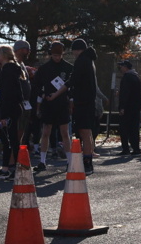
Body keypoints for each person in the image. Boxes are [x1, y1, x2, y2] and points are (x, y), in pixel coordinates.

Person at [32, 41, 74, 173]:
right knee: (46, 132)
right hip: (48, 103)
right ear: (51, 54)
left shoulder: (68, 68)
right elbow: (36, 85)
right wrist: (43, 94)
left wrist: (70, 99)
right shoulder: (44, 69)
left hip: (62, 103)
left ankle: (69, 161)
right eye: (55, 55)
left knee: (64, 133)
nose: (57, 57)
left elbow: (73, 85)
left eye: (59, 55)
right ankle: (42, 161)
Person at [0, 45, 27, 181]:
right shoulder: (8, 69)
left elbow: (8, 94)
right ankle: (6, 169)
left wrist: (5, 115)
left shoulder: (8, 70)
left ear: (4, 55)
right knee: (7, 140)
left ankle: (15, 169)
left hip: (10, 109)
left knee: (11, 140)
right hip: (10, 108)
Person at [68, 38, 98, 173]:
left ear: (77, 50)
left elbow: (73, 80)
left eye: (73, 51)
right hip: (89, 101)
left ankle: (87, 163)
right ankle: (88, 159)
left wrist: (59, 92)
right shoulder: (90, 61)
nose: (73, 54)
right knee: (88, 132)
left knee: (84, 132)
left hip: (83, 102)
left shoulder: (82, 61)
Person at [117, 59, 141, 157]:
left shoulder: (126, 77)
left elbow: (125, 93)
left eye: (122, 66)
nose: (120, 68)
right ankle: (136, 148)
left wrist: (122, 107)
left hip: (127, 107)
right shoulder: (136, 77)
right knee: (134, 128)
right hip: (135, 107)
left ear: (125, 67)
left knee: (124, 128)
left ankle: (125, 148)